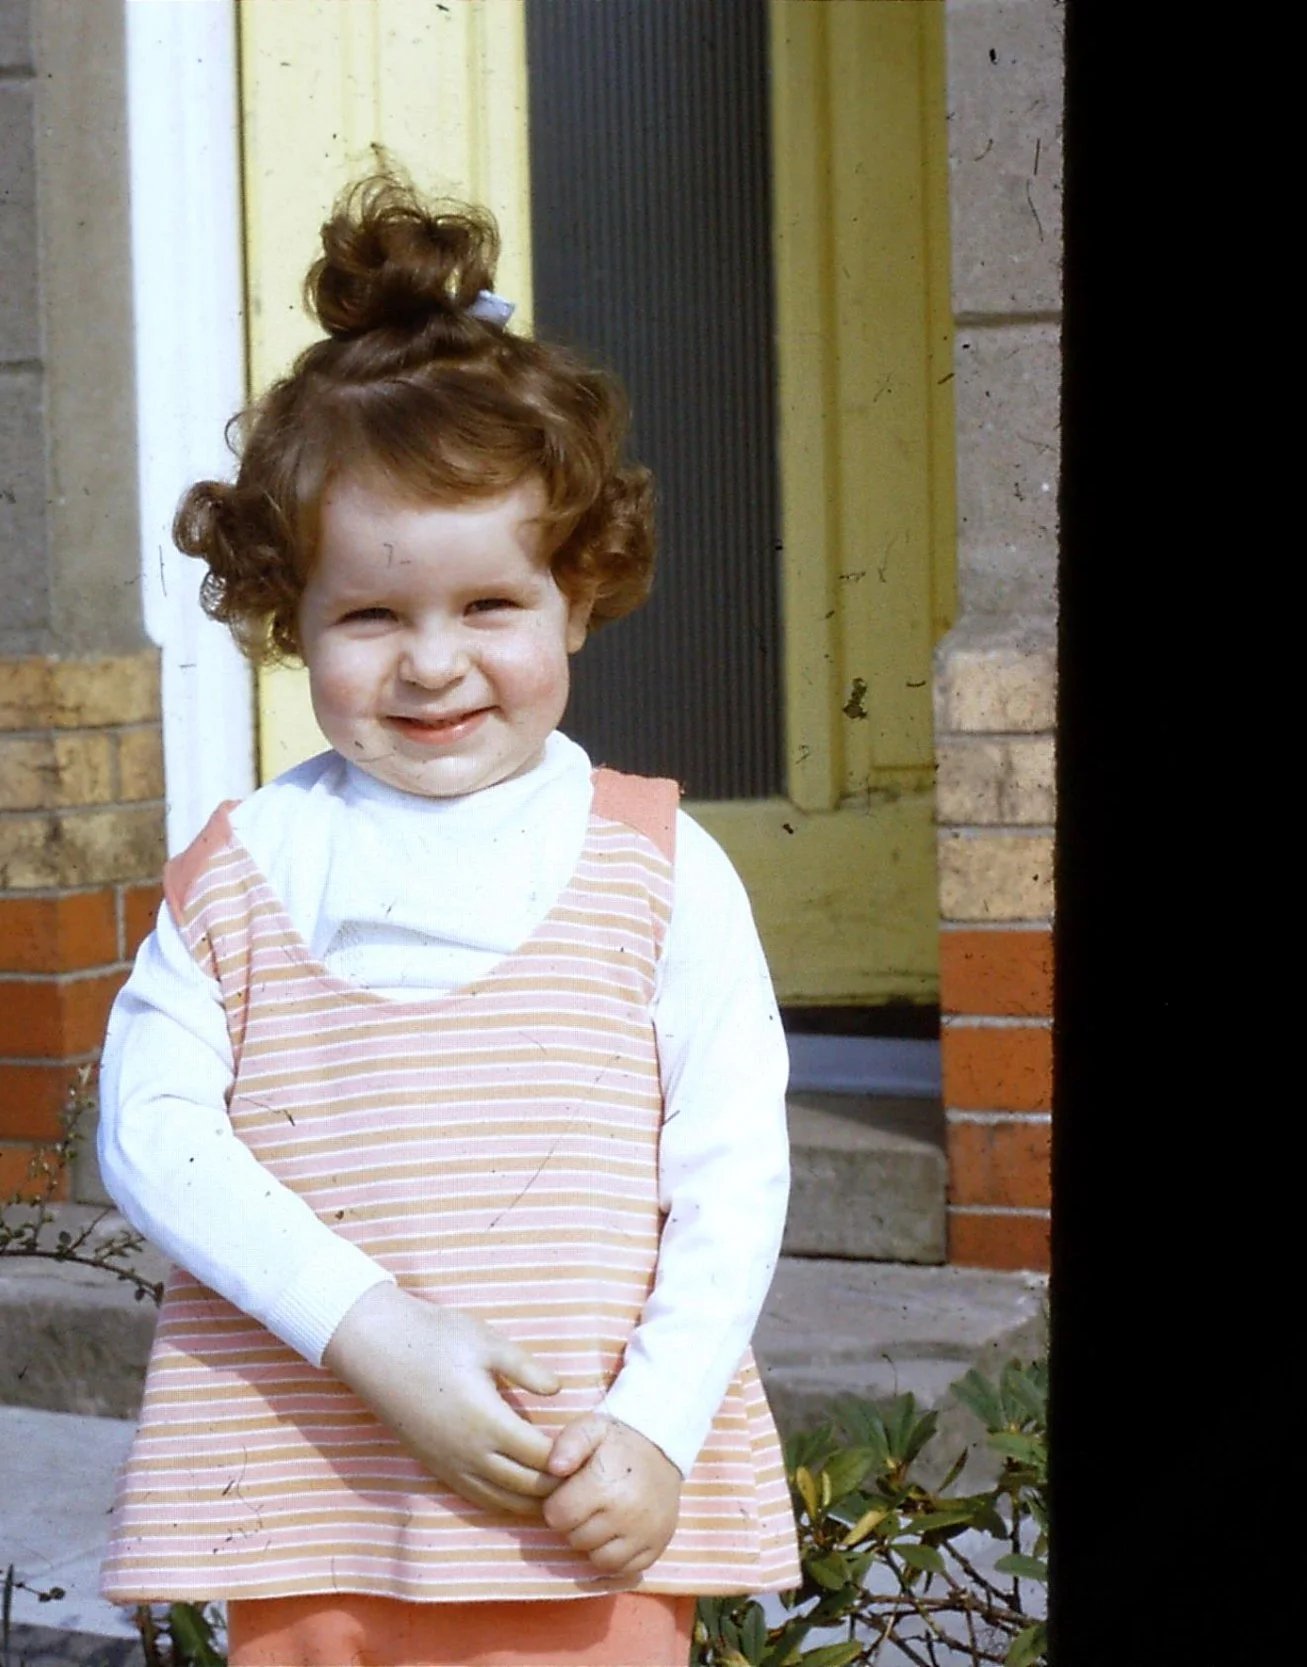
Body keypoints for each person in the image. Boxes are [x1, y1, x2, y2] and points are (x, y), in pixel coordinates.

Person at [93, 171, 800, 1667]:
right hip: (315, 1492)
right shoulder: (248, 868)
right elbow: (154, 1131)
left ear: (581, 593)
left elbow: (732, 1171)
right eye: (369, 617)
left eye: (489, 606)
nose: (431, 665)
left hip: (579, 1496)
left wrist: (661, 1424)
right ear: (290, 618)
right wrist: (373, 1332)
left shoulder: (661, 866)